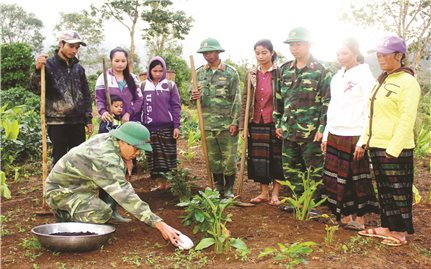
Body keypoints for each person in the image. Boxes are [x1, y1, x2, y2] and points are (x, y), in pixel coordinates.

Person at [44, 121, 184, 247]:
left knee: (115, 180)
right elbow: (125, 195)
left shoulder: (109, 139)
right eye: (136, 148)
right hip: (61, 192)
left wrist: (125, 161)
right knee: (102, 213)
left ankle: (79, 208)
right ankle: (65, 215)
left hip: (79, 187)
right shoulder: (105, 159)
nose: (138, 153)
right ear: (122, 141)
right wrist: (160, 224)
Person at [358, 36, 420, 246]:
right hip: (377, 145)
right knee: (384, 190)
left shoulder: (407, 82)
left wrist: (393, 149)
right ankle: (387, 227)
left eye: (385, 54)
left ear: (399, 55)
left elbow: (406, 118)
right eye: (378, 54)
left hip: (395, 148)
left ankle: (400, 233)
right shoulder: (382, 79)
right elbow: (371, 114)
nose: (380, 58)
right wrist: (365, 140)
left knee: (398, 191)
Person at [321, 38, 379, 229]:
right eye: (338, 53)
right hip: (336, 132)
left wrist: (363, 140)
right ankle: (344, 214)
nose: (340, 57)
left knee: (356, 179)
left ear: (355, 53)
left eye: (344, 53)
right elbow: (333, 106)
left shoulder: (364, 76)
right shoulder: (337, 77)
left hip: (354, 134)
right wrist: (327, 133)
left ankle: (360, 219)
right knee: (336, 177)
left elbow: (370, 109)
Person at [274, 27, 331, 194]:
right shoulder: (284, 70)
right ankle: (299, 202)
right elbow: (279, 99)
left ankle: (312, 204)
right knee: (291, 169)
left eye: (298, 44)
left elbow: (328, 101)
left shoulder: (321, 70)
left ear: (308, 45)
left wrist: (322, 128)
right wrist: (278, 122)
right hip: (289, 130)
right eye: (291, 45)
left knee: (315, 171)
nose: (294, 48)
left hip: (311, 132)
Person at [31, 30, 93, 166]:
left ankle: (75, 186)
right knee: (59, 158)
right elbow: (37, 89)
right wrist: (37, 70)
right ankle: (58, 186)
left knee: (77, 158)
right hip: (57, 121)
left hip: (77, 121)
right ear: (61, 44)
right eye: (71, 46)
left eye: (77, 47)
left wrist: (88, 119)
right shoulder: (47, 66)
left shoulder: (79, 68)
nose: (74, 50)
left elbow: (86, 94)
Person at [191, 38, 241, 198]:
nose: (207, 55)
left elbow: (237, 99)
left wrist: (235, 122)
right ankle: (218, 187)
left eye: (210, 52)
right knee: (214, 159)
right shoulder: (198, 73)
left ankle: (229, 189)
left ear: (218, 52)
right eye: (204, 53)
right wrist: (194, 95)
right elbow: (191, 95)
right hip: (208, 124)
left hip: (226, 125)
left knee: (229, 158)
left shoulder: (230, 73)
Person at [239, 39, 284, 205]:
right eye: (257, 53)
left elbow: (285, 99)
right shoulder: (251, 74)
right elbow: (246, 100)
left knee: (276, 157)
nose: (260, 56)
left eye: (264, 52)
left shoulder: (280, 73)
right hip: (256, 120)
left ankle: (275, 194)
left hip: (275, 121)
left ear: (272, 53)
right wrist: (243, 125)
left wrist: (283, 122)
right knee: (259, 158)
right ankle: (264, 192)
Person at [139, 56, 181, 191]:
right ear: (149, 71)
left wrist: (176, 126)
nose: (157, 74)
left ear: (164, 71)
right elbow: (139, 106)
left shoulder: (170, 85)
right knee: (153, 158)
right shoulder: (143, 86)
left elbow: (176, 106)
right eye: (154, 71)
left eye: (160, 71)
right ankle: (160, 184)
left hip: (166, 128)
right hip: (149, 128)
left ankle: (169, 185)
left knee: (168, 157)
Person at [95, 47, 143, 125]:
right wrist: (103, 112)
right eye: (117, 61)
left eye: (123, 61)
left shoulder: (133, 78)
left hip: (131, 121)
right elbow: (99, 99)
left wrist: (128, 113)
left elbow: (139, 99)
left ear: (127, 61)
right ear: (111, 61)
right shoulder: (103, 77)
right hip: (111, 121)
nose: (120, 64)